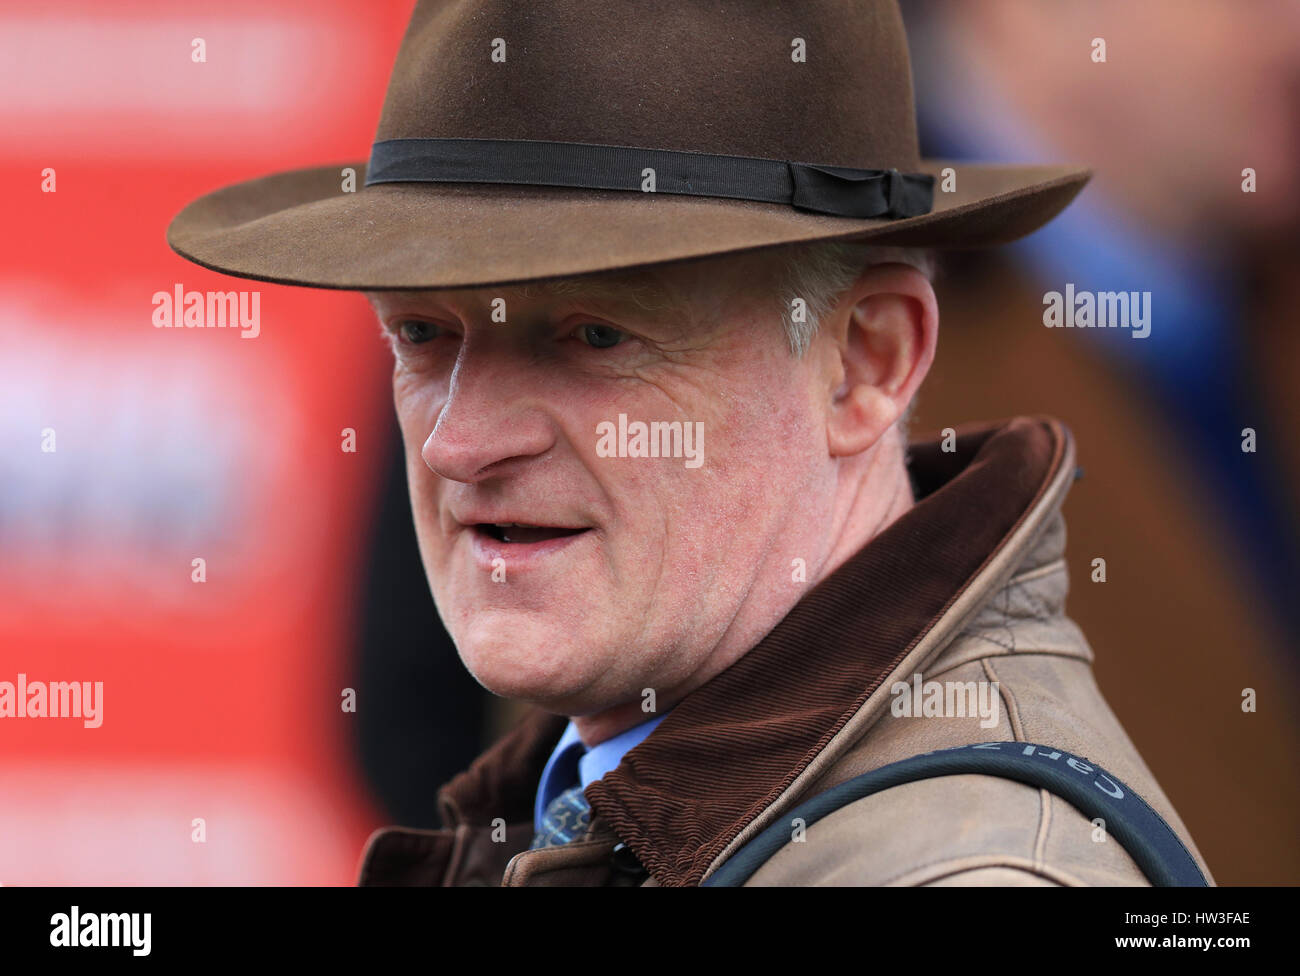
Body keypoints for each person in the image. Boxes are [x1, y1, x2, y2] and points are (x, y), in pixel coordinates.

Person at [166, 0, 1211, 886]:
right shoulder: (625, 787)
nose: (459, 441)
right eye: (423, 334)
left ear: (862, 362)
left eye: (595, 334)